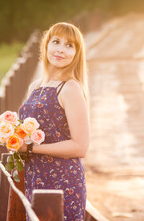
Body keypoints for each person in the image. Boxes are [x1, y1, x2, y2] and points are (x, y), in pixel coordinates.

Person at [18, 22, 89, 220]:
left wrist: (31, 148)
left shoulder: (70, 88)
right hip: (35, 178)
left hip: (62, 182)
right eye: (56, 42)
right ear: (46, 45)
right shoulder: (35, 87)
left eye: (69, 45)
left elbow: (80, 147)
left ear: (76, 53)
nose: (61, 49)